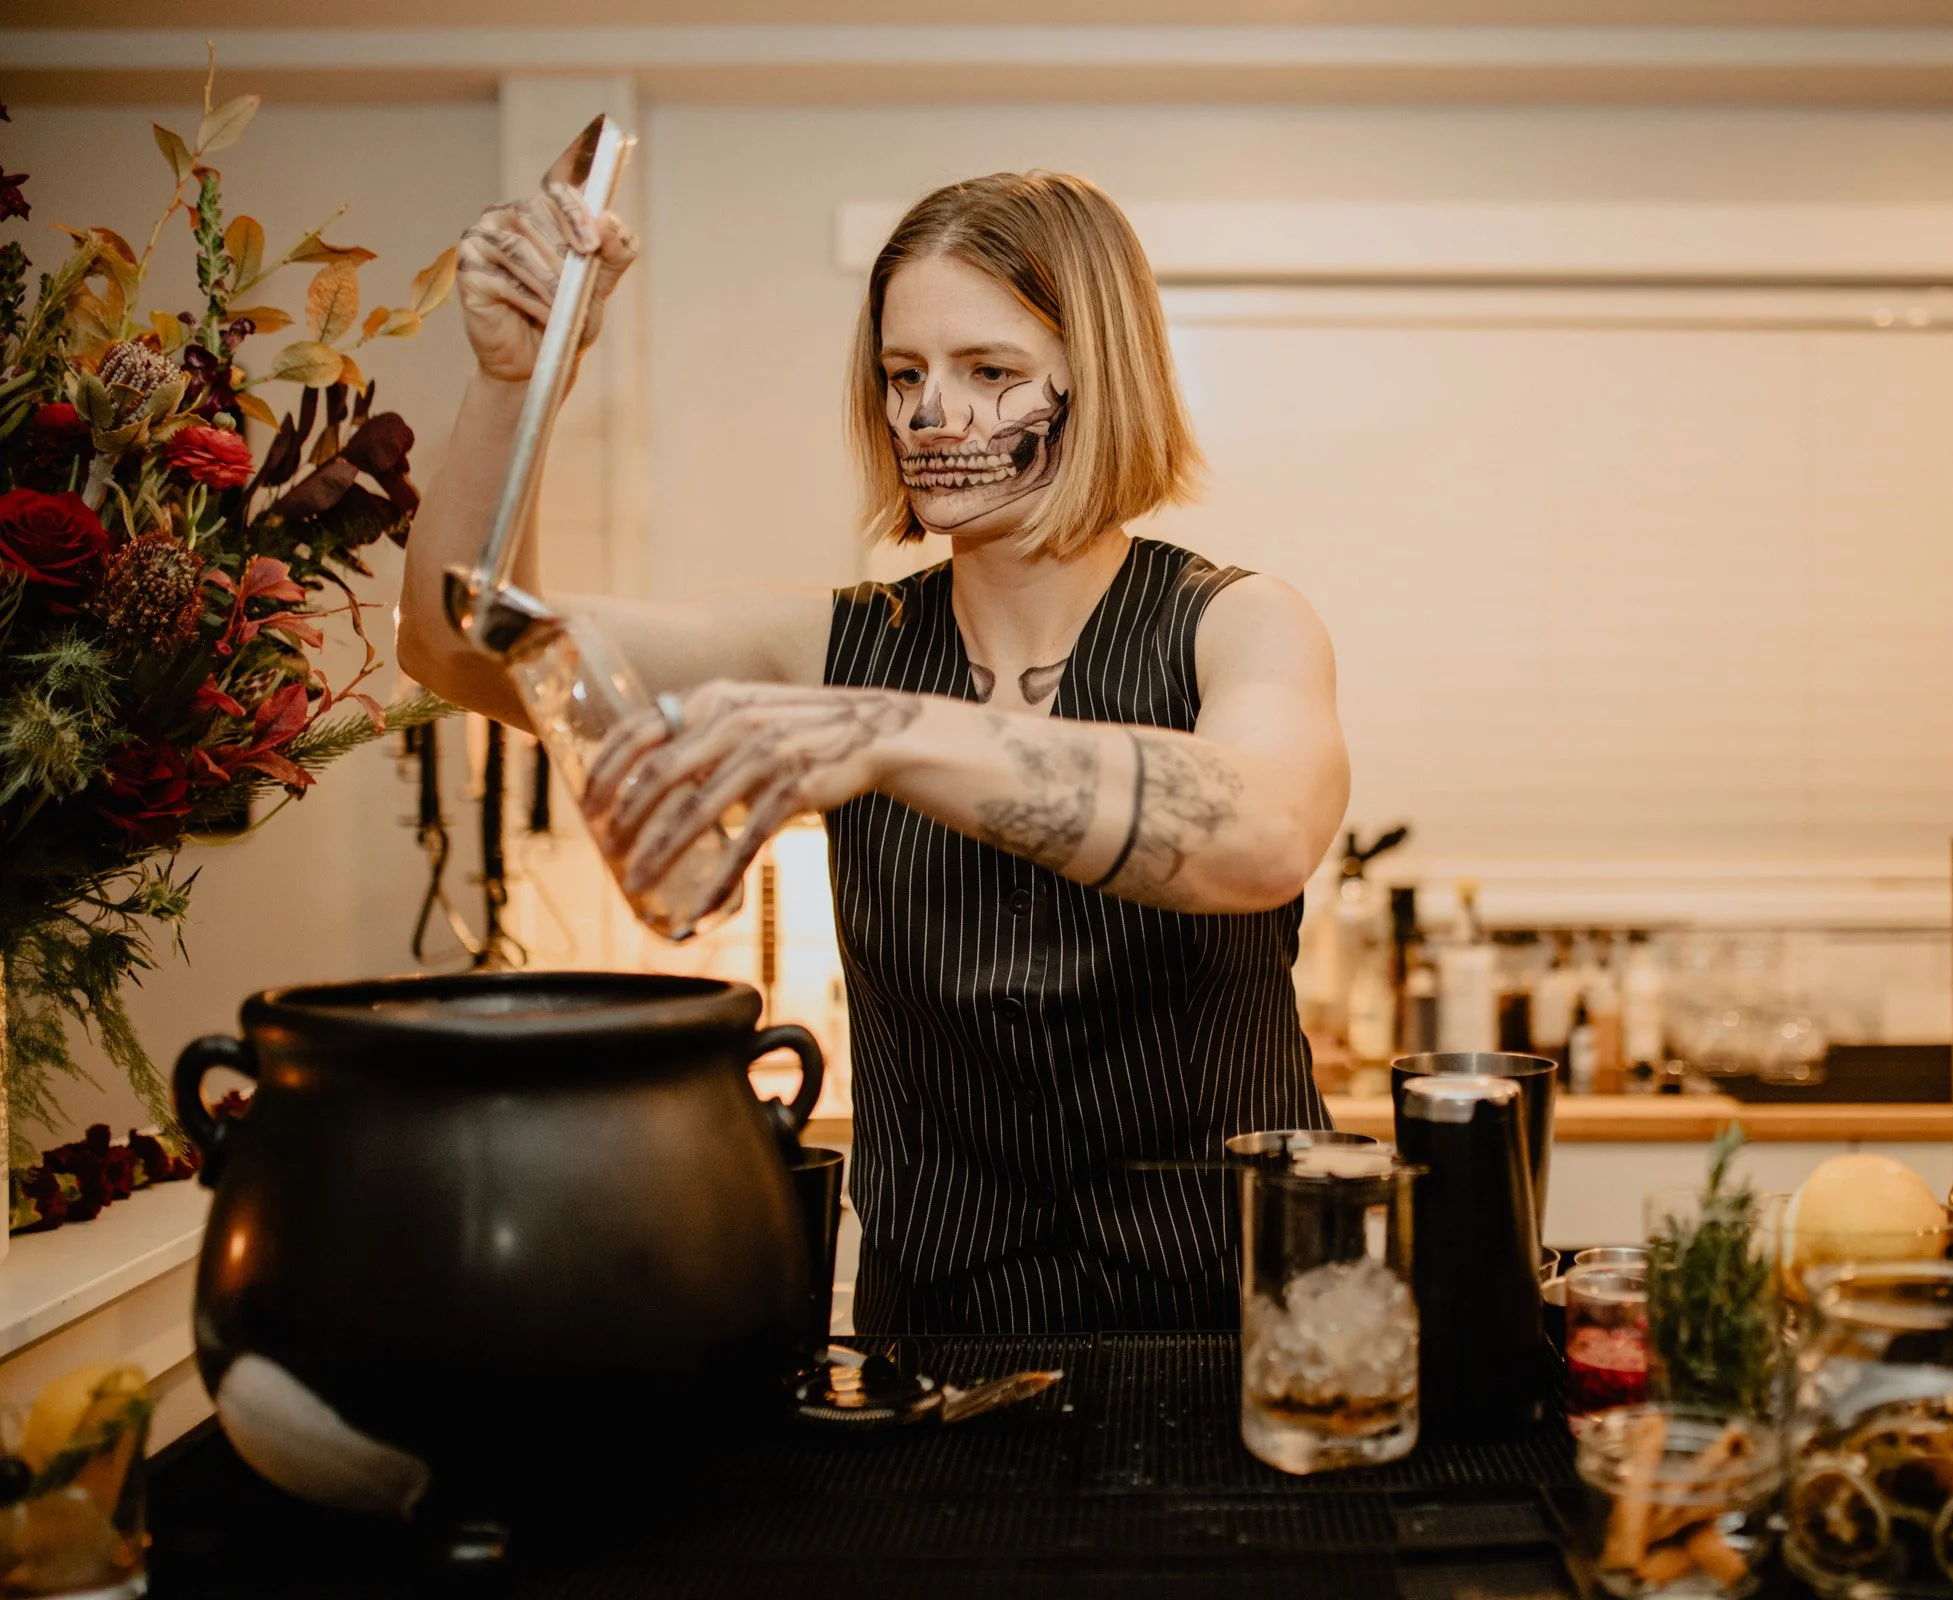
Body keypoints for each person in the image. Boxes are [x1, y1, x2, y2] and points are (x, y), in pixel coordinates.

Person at [397, 170, 1349, 1334]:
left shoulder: (1237, 624)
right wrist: (515, 381)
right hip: (940, 1344)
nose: (932, 414)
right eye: (904, 375)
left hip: (1244, 1333)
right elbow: (456, 644)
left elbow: (1260, 834)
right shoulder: (835, 647)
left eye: (989, 371)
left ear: (1101, 379)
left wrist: (894, 730)